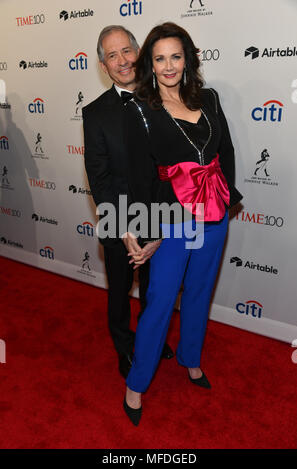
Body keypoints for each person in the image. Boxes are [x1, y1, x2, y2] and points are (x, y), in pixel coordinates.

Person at [122, 22, 243, 425]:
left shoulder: (208, 97)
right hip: (173, 220)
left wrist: (229, 198)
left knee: (200, 292)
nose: (169, 66)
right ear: (150, 65)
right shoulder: (141, 108)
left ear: (187, 59)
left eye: (176, 56)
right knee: (159, 300)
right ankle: (137, 383)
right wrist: (150, 230)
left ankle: (191, 358)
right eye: (160, 58)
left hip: (214, 215)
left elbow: (224, 150)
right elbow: (140, 176)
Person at [82, 26, 174, 381]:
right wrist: (121, 229)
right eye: (112, 55)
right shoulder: (94, 114)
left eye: (127, 51)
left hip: (161, 216)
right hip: (117, 218)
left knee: (157, 288)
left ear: (140, 51)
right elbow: (99, 176)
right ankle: (124, 346)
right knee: (119, 291)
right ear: (103, 65)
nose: (122, 61)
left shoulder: (166, 99)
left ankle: (151, 339)